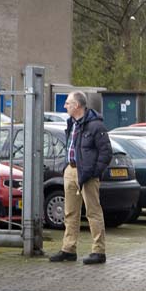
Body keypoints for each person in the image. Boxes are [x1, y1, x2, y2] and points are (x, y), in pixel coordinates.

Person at [50, 91, 113, 265]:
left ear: (77, 105)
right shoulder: (72, 123)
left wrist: (94, 171)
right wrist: (66, 167)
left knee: (93, 211)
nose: (65, 106)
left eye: (68, 103)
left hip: (87, 173)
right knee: (70, 212)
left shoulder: (95, 126)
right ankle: (68, 249)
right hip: (71, 170)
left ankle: (98, 251)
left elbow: (106, 152)